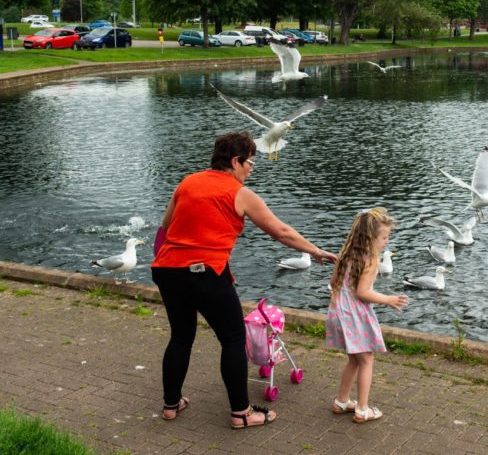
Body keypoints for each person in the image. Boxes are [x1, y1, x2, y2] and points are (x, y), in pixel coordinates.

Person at [151, 131, 337, 429]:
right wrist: (315, 251)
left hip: (167, 269)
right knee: (233, 338)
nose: (251, 169)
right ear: (235, 161)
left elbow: (164, 228)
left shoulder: (188, 182)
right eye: (250, 162)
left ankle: (171, 405)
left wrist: (169, 263)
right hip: (203, 272)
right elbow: (281, 232)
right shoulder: (239, 193)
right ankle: (241, 413)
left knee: (181, 336)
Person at [326, 207, 408, 423]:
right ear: (371, 238)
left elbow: (335, 282)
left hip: (339, 309)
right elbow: (363, 293)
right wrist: (388, 299)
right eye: (384, 237)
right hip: (355, 314)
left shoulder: (346, 252)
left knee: (354, 359)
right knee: (367, 360)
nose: (387, 241)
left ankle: (342, 401)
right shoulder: (371, 258)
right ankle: (362, 409)